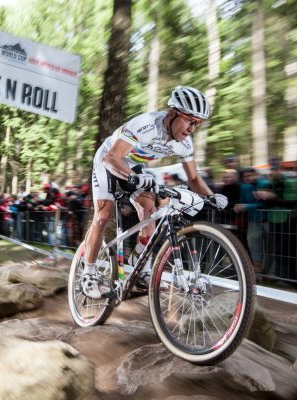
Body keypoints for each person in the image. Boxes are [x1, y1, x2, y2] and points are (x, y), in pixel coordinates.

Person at [81, 86, 216, 299]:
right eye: (189, 120)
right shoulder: (146, 125)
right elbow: (113, 158)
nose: (192, 128)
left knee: (149, 208)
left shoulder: (185, 144)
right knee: (103, 215)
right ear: (173, 114)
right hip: (109, 160)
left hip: (133, 166)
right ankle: (88, 273)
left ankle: (139, 266)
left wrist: (212, 197)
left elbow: (193, 178)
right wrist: (134, 176)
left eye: (197, 124)